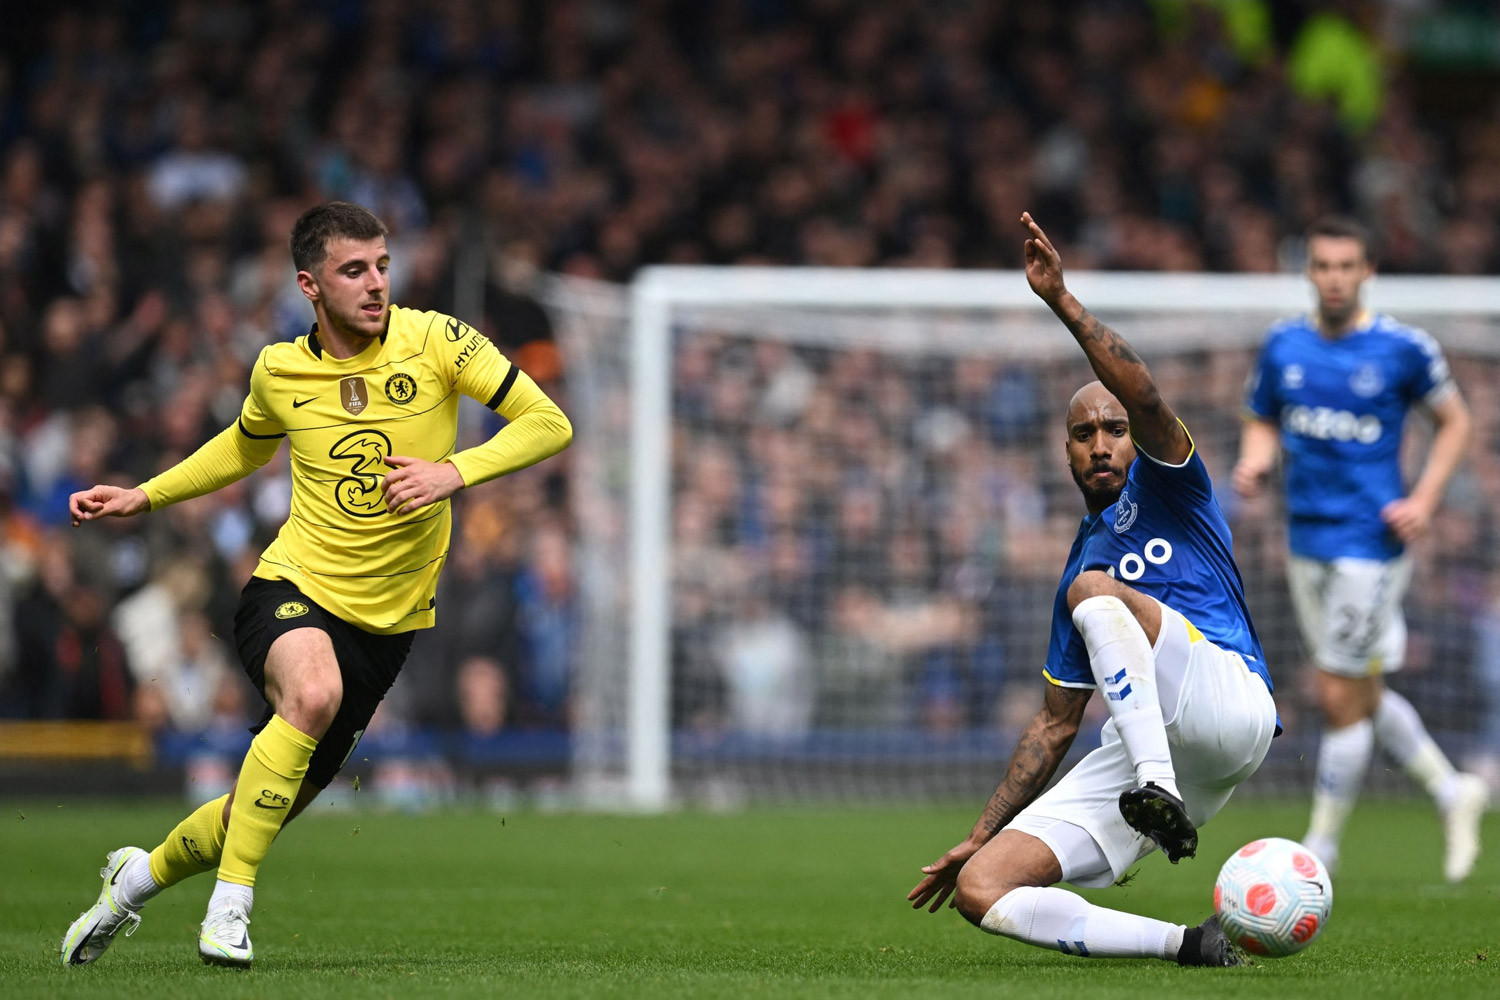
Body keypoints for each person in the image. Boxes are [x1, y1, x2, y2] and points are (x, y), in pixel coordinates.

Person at [60, 201, 572, 968]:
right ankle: (229, 910)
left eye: (383, 266)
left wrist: (452, 471)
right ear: (310, 285)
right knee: (311, 694)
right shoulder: (279, 369)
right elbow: (242, 447)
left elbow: (548, 421)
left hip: (386, 629)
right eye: (354, 270)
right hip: (291, 589)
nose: (375, 284)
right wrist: (145, 493)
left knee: (253, 810)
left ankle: (136, 878)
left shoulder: (435, 340)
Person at [908, 213, 1279, 966]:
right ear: (1067, 448)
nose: (1104, 441)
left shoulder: (1174, 485)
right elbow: (1053, 727)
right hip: (1160, 754)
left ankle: (1155, 788)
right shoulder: (1081, 566)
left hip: (1226, 699)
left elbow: (1144, 397)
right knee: (987, 889)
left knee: (1096, 593)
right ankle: (1187, 946)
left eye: (1113, 428)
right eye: (1086, 433)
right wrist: (979, 837)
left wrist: (1064, 304)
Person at [1233, 215, 1486, 881]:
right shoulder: (1284, 346)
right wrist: (1255, 461)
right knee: (1360, 687)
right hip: (1305, 537)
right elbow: (1262, 415)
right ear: (1308, 272)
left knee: (1338, 691)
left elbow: (1455, 420)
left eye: (1348, 266)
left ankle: (1322, 845)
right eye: (1324, 266)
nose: (1336, 278)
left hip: (1370, 546)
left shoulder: (1403, 349)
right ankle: (1451, 790)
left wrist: (1425, 499)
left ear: (1368, 270)